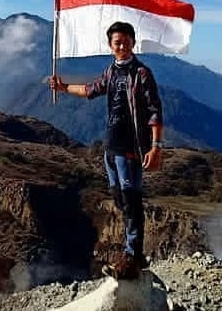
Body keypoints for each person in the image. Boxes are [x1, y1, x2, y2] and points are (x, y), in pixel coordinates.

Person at [47, 20, 164, 280]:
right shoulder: (111, 71)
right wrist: (63, 87)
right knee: (122, 201)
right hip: (111, 148)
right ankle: (136, 254)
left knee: (132, 202)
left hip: (131, 150)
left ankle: (132, 256)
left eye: (125, 41)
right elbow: (90, 90)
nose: (121, 45)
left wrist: (155, 147)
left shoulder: (142, 74)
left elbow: (155, 111)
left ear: (133, 42)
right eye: (116, 42)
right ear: (110, 46)